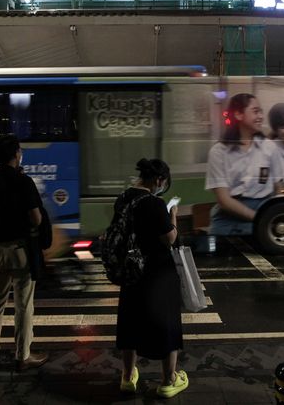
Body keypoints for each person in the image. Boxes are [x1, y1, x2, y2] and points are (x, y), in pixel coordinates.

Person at [0, 134, 48, 372]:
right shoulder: (24, 182)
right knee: (23, 303)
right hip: (20, 249)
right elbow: (36, 218)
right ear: (16, 154)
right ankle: (22, 356)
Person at [114, 158, 187, 398]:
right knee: (167, 324)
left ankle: (127, 377)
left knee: (130, 322)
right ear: (158, 180)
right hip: (157, 274)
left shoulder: (123, 198)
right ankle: (168, 381)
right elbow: (169, 239)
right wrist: (173, 215)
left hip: (130, 273)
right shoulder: (154, 204)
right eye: (163, 183)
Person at [205, 93, 284, 236]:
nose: (261, 116)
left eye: (261, 111)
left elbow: (280, 187)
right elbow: (224, 200)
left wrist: (276, 213)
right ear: (238, 115)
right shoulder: (219, 151)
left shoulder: (269, 147)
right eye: (255, 111)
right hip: (228, 216)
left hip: (263, 211)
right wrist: (259, 218)